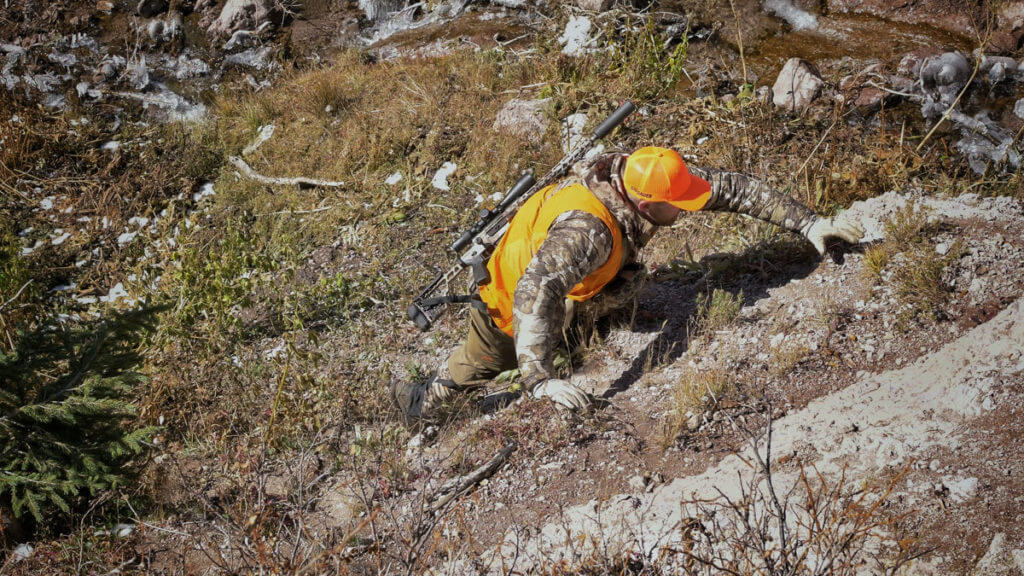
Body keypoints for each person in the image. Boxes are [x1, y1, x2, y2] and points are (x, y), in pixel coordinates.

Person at [393, 147, 865, 417]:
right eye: (678, 205)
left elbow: (729, 189)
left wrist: (809, 224)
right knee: (470, 372)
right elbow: (534, 292)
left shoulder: (638, 175)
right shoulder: (592, 232)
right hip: (508, 309)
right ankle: (416, 404)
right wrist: (538, 381)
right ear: (644, 205)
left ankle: (579, 334)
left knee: (623, 282)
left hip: (573, 282)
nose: (687, 209)